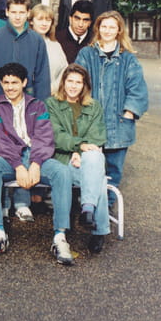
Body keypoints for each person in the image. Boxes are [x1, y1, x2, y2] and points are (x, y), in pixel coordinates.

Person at [0, 63, 74, 265]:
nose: (10, 87)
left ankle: (60, 237)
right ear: (1, 83)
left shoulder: (37, 105)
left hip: (35, 156)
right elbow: (1, 140)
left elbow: (44, 137)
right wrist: (18, 166)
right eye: (6, 82)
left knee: (62, 172)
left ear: (24, 82)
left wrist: (36, 163)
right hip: (9, 159)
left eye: (14, 82)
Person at [75, 11, 148, 206]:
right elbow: (76, 83)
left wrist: (129, 112)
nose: (107, 31)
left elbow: (138, 89)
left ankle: (106, 210)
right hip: (90, 124)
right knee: (89, 168)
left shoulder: (128, 59)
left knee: (113, 172)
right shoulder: (86, 54)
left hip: (119, 124)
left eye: (112, 27)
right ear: (98, 28)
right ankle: (88, 207)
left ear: (119, 30)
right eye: (104, 26)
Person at [45, 64, 110, 254]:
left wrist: (81, 154)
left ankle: (88, 209)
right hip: (62, 161)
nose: (73, 86)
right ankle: (98, 229)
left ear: (84, 85)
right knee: (98, 179)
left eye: (78, 82)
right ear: (63, 82)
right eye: (70, 81)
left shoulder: (94, 106)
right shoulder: (51, 104)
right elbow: (54, 135)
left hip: (86, 161)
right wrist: (78, 147)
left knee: (94, 157)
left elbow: (97, 137)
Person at [0, 0, 50, 103]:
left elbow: (42, 76)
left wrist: (40, 104)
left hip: (27, 101)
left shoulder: (37, 40)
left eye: (21, 12)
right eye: (14, 12)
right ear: (7, 12)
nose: (17, 17)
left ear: (28, 13)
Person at [30, 4, 68, 93]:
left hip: (52, 95)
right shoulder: (23, 44)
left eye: (48, 20)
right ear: (31, 21)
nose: (44, 24)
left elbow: (65, 71)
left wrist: (52, 88)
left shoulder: (56, 46)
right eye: (40, 19)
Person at [57, 0, 95, 64]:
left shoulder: (95, 41)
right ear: (70, 19)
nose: (80, 24)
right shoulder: (57, 39)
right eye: (77, 19)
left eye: (85, 20)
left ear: (90, 23)